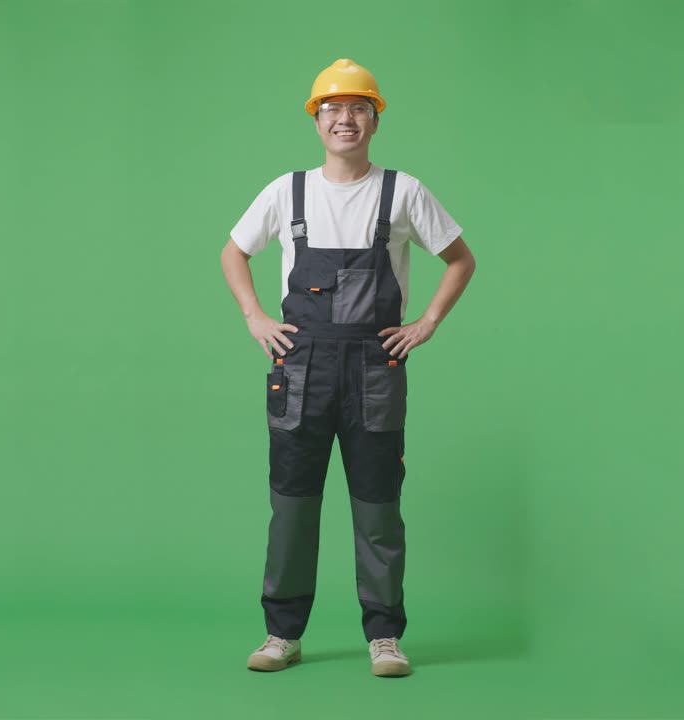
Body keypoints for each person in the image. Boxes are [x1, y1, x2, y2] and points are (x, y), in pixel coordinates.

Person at [219, 58, 476, 678]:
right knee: (293, 507)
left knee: (378, 507)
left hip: (375, 367)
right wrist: (255, 317)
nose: (345, 118)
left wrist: (427, 323)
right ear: (317, 120)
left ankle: (384, 638)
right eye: (332, 108)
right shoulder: (288, 192)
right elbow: (233, 252)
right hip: (300, 366)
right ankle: (282, 634)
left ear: (374, 118)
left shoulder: (403, 191)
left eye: (358, 107)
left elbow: (460, 259)